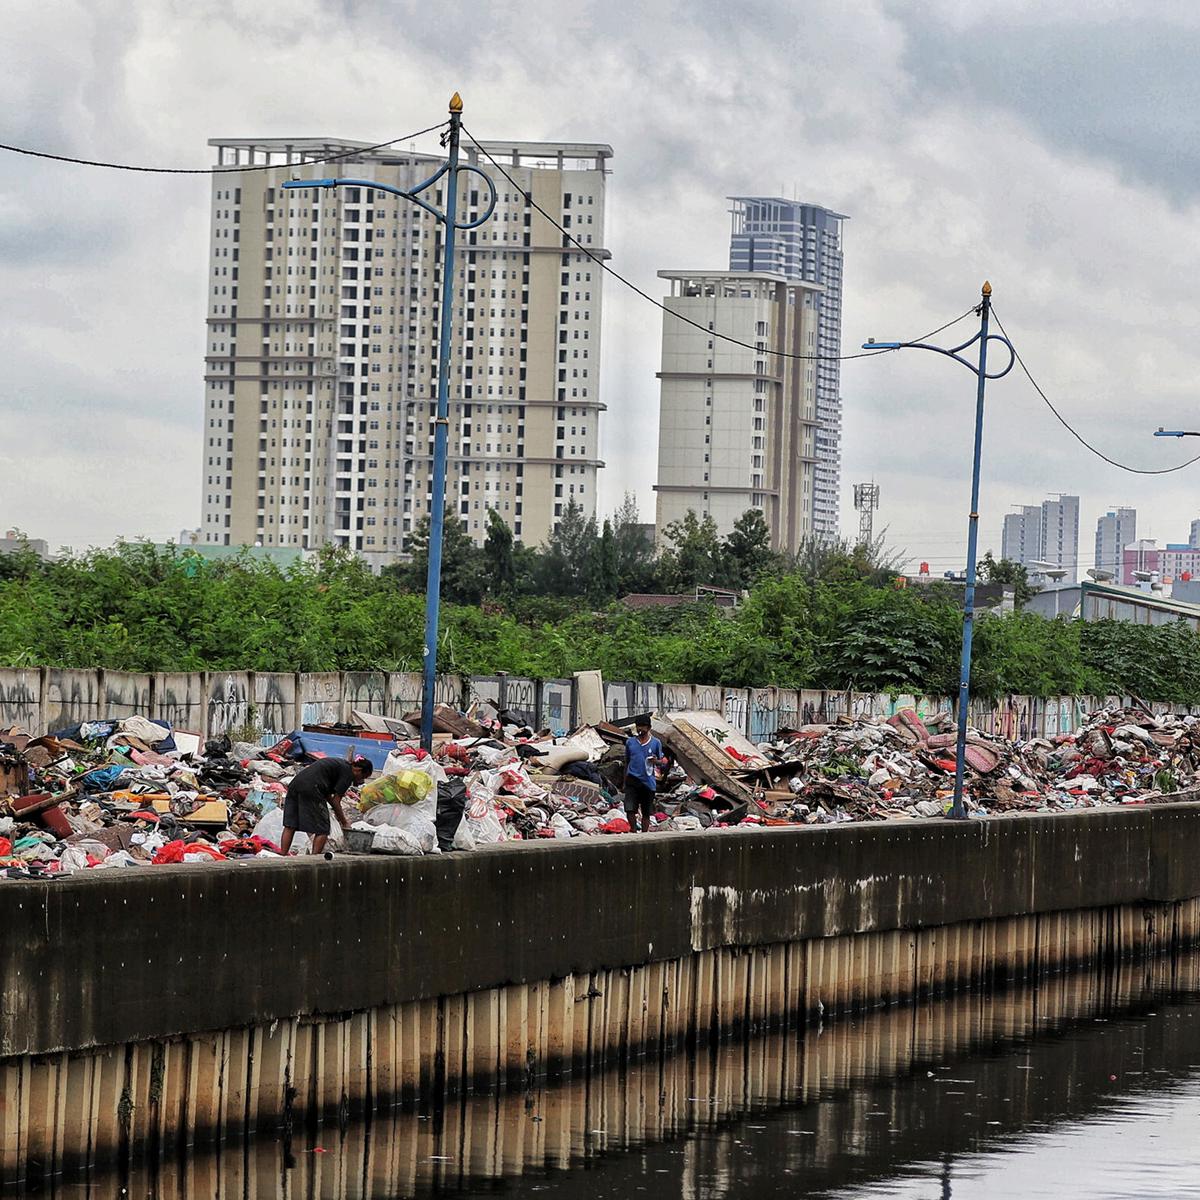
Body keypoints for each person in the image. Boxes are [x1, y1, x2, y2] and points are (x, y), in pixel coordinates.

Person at [280, 755, 374, 856]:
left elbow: (328, 796)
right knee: (323, 829)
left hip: (295, 785)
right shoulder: (348, 773)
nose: (361, 781)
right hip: (313, 788)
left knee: (291, 825)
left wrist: (340, 818)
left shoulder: (340, 765)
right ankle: (313, 859)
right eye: (363, 777)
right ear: (358, 770)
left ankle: (282, 855)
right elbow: (336, 801)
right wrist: (344, 822)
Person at [623, 717, 664, 833]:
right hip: (632, 779)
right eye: (638, 726)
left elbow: (661, 761)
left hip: (648, 781)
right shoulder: (630, 742)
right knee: (630, 808)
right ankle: (633, 830)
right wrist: (624, 781)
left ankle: (644, 833)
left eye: (643, 726)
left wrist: (656, 761)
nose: (640, 729)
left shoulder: (656, 743)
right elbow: (627, 761)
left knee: (646, 811)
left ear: (649, 728)